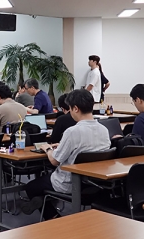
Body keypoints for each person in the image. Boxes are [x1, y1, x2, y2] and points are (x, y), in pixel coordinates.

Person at [21, 89, 110, 218]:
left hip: (68, 183)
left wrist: (48, 149)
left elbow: (54, 161)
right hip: (93, 184)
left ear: (75, 109)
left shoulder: (72, 132)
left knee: (31, 187)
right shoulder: (104, 130)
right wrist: (62, 146)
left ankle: (52, 216)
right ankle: (44, 199)